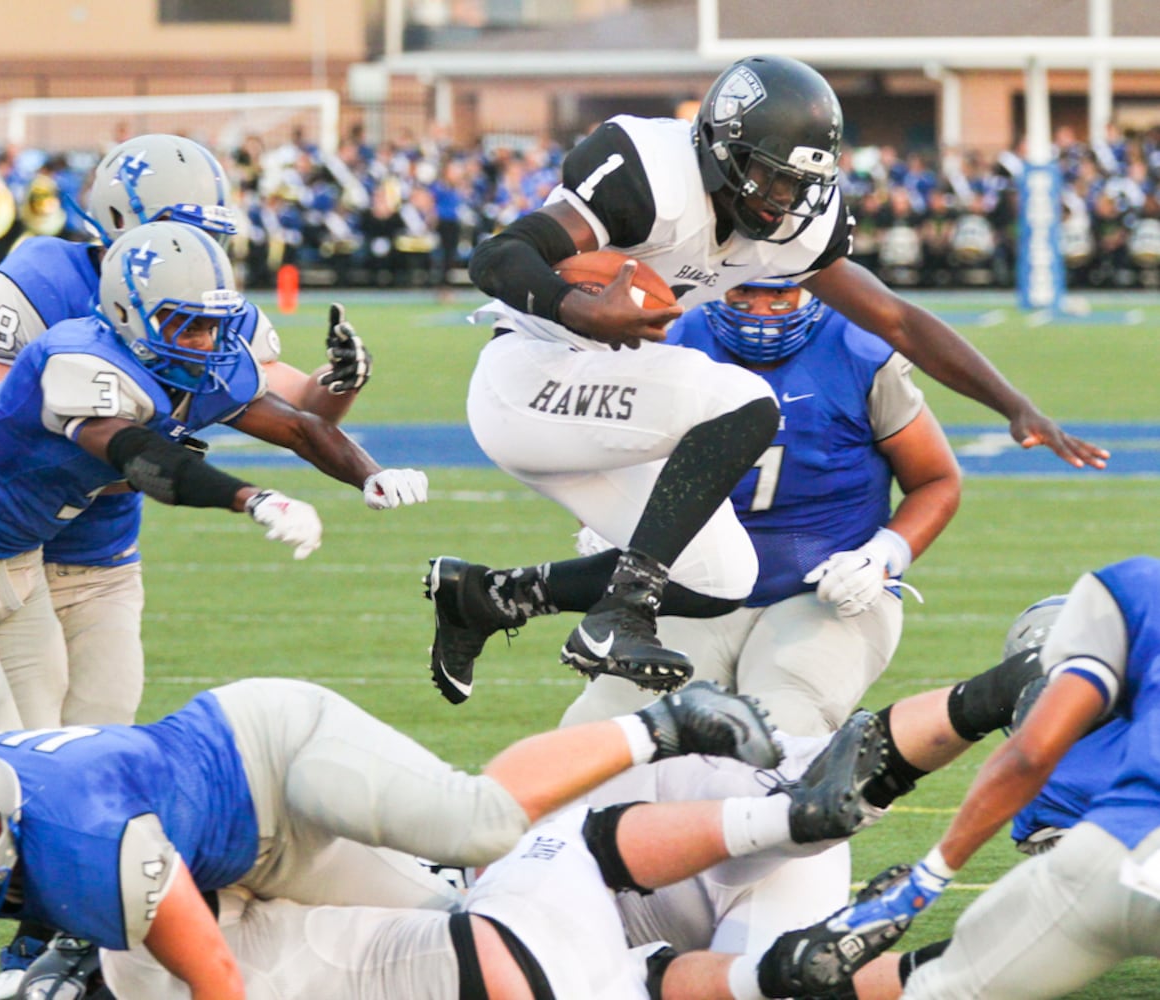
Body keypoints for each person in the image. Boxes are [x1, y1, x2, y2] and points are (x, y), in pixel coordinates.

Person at [455, 53, 1107, 696]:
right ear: (718, 148)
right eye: (767, 178)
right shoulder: (648, 172)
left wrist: (1012, 403)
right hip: (529, 380)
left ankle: (481, 599)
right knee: (742, 399)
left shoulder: (794, 228)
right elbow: (499, 254)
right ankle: (619, 614)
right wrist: (582, 310)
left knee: (720, 579)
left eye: (797, 185)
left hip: (605, 397)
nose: (781, 201)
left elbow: (896, 320)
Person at [87, 640, 1050, 1000]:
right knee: (538, 833)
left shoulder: (152, 955)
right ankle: (1000, 689)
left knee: (760, 981)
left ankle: (937, 973)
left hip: (573, 958)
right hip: (539, 912)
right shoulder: (151, 934)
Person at [0, 675, 782, 999]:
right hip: (217, 857)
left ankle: (663, 724)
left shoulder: (88, 838)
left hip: (274, 760)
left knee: (478, 828)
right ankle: (650, 972)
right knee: (451, 934)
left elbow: (216, 978)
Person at [0, 221, 426, 736]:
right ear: (126, 310)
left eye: (212, 324)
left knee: (43, 741)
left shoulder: (194, 362)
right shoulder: (78, 358)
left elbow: (300, 427)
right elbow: (138, 457)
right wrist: (251, 498)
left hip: (18, 558)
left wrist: (370, 476)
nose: (204, 341)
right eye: (186, 324)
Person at [0, 132, 373, 727]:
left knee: (103, 723)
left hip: (102, 552)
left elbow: (292, 411)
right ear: (116, 219)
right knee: (11, 729)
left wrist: (338, 383)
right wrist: (140, 458)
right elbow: (3, 433)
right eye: (183, 228)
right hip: (10, 542)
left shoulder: (208, 306)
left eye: (209, 232)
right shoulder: (40, 281)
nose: (199, 248)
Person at [561, 280, 961, 736]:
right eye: (743, 293)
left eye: (780, 296)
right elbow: (603, 452)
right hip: (693, 586)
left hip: (823, 588)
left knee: (782, 726)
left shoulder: (858, 349)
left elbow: (935, 479)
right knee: (602, 729)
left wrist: (883, 556)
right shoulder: (670, 339)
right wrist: (601, 522)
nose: (760, 311)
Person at [759, 556, 1160, 1000]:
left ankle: (767, 978)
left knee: (959, 974)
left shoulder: (1125, 591)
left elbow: (1026, 759)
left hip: (1110, 864)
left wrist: (928, 879)